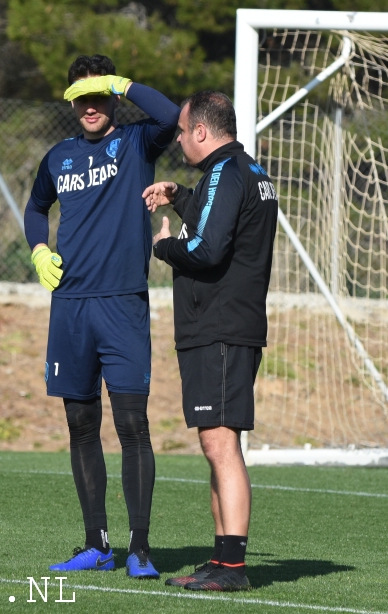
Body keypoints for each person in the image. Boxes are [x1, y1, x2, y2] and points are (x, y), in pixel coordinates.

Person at [24, 54, 179, 579]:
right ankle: (97, 544)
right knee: (80, 424)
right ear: (71, 100)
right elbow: (34, 209)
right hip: (69, 307)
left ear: (111, 96)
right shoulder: (58, 156)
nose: (90, 106)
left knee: (133, 424)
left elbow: (173, 116)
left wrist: (124, 82)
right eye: (80, 96)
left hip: (122, 303)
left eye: (99, 95)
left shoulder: (136, 142)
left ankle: (140, 548)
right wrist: (39, 250)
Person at [143, 91, 278, 591]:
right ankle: (220, 561)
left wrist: (165, 247)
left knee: (222, 445)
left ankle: (234, 567)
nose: (178, 139)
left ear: (201, 131)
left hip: (220, 325)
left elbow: (208, 247)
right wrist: (182, 197)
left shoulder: (225, 172)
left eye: (181, 131)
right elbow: (220, 222)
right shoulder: (252, 173)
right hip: (231, 323)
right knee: (216, 442)